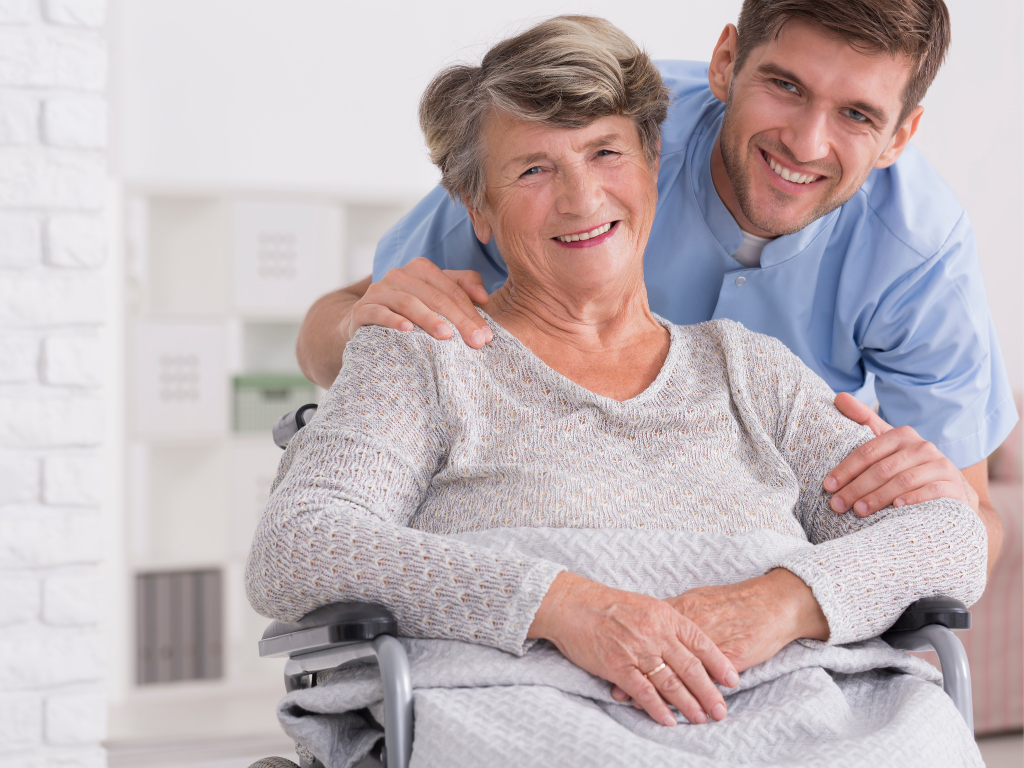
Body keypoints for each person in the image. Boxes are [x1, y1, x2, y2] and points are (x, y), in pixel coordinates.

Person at [247, 18, 985, 762]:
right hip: (534, 702)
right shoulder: (424, 353)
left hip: (785, 699)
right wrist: (566, 604)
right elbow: (297, 544)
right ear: (476, 208)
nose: (580, 197)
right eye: (533, 170)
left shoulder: (754, 370)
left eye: (606, 154)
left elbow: (951, 535)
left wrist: (778, 601)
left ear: (650, 166)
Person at [294, 0, 1015, 571]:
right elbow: (332, 329)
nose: (806, 142)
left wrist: (945, 519)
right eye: (785, 86)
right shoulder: (598, 139)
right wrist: (364, 331)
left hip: (767, 554)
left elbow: (971, 525)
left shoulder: (920, 254)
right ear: (727, 62)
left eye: (857, 114)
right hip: (549, 520)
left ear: (900, 135)